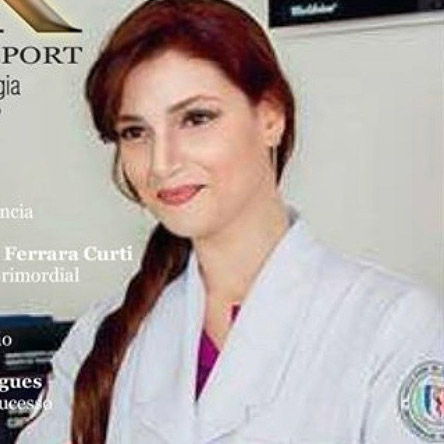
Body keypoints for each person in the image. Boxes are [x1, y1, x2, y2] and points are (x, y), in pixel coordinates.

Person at [16, 0, 443, 443]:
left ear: (271, 118)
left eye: (196, 118)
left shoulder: (395, 326)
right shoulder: (99, 336)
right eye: (135, 132)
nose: (161, 163)